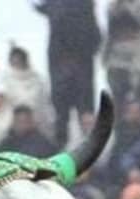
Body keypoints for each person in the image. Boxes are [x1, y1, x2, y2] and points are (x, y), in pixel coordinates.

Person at [34, 0, 101, 145]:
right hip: (66, 65)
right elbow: (96, 39)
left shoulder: (79, 4)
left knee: (81, 114)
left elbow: (96, 39)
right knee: (64, 115)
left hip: (76, 65)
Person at [103, 0, 140, 120]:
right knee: (119, 110)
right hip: (116, 65)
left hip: (139, 66)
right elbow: (109, 36)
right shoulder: (112, 8)